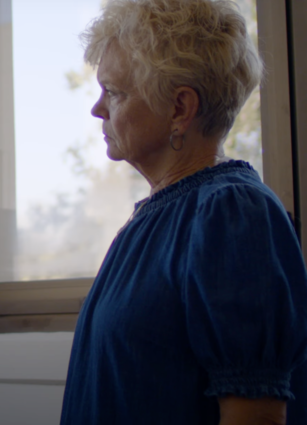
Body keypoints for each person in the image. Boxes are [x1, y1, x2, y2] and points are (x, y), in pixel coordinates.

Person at [60, 1, 307, 424]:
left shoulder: (230, 213)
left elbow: (256, 414)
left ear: (179, 109)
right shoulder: (157, 216)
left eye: (114, 92)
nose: (97, 109)